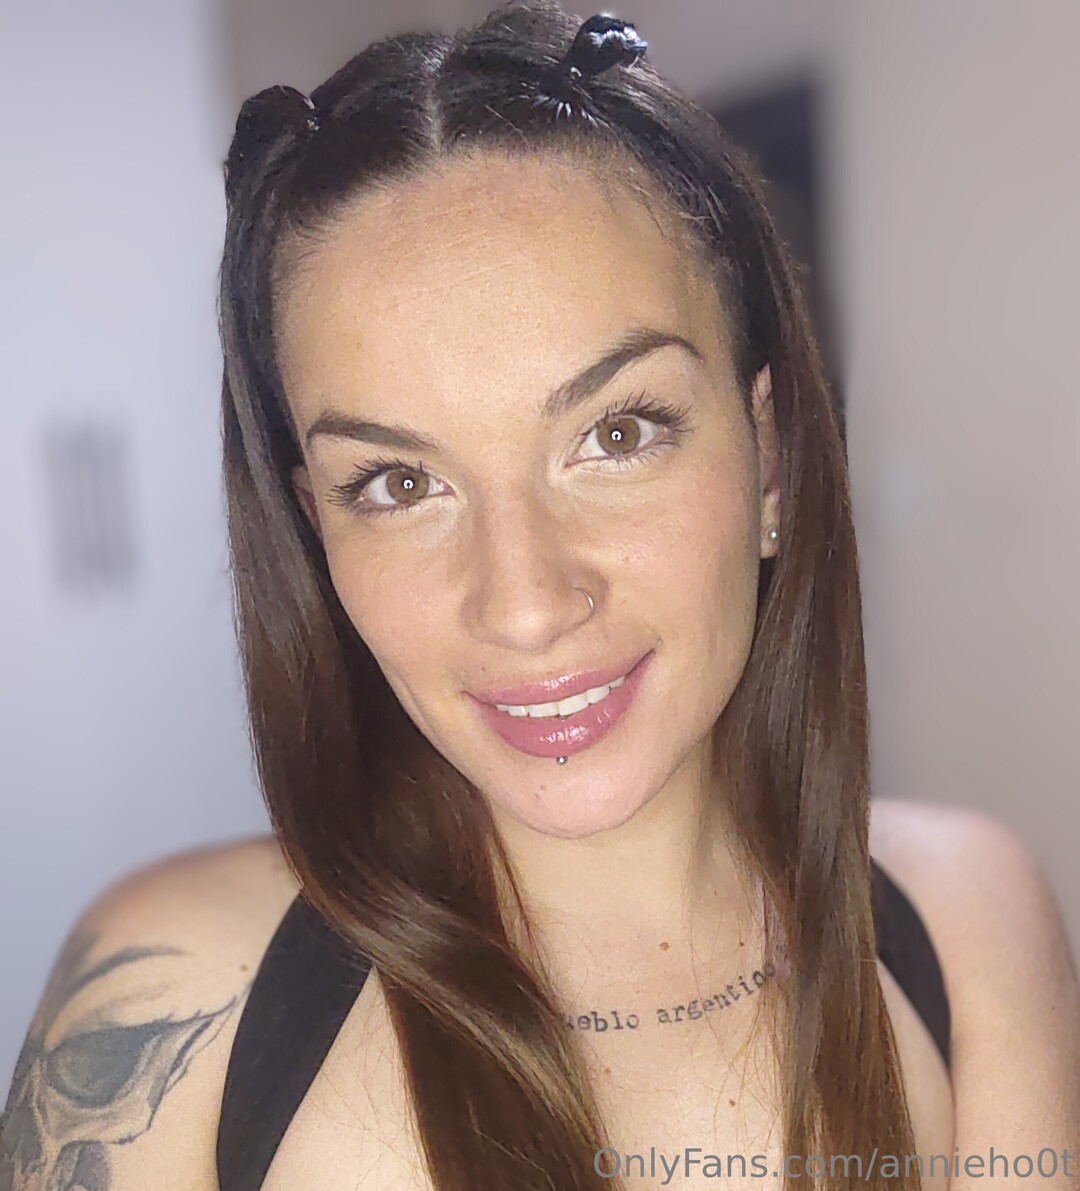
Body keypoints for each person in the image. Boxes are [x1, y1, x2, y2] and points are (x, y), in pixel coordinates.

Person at [3, 3, 1079, 1189]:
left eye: (617, 434)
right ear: (316, 529)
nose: (523, 605)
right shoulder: (167, 1007)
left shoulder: (963, 922)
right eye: (399, 483)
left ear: (768, 462)